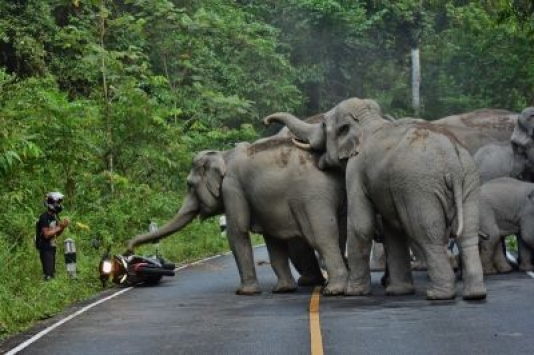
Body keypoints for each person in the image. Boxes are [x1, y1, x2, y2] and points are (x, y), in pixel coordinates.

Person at [36, 192, 70, 280]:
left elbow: (57, 233)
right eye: (58, 202)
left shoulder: (55, 216)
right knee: (48, 274)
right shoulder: (44, 217)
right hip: (45, 247)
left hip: (52, 246)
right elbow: (46, 235)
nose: (59, 204)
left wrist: (62, 227)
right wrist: (60, 226)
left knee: (52, 273)